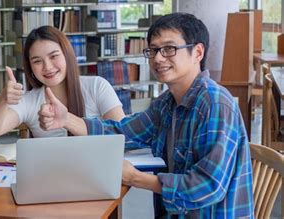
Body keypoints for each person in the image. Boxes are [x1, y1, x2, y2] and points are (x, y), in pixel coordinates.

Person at [38, 13, 253, 218]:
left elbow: (207, 186)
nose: (158, 58)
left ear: (197, 52)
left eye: (169, 49)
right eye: (153, 50)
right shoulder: (167, 102)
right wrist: (66, 119)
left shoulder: (214, 103)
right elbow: (123, 131)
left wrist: (135, 178)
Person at [0, 25, 125, 139]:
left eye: (54, 56)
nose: (48, 67)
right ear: (30, 68)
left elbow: (123, 135)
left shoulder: (97, 86)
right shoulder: (30, 101)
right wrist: (2, 100)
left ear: (67, 55)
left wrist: (67, 120)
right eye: (37, 61)